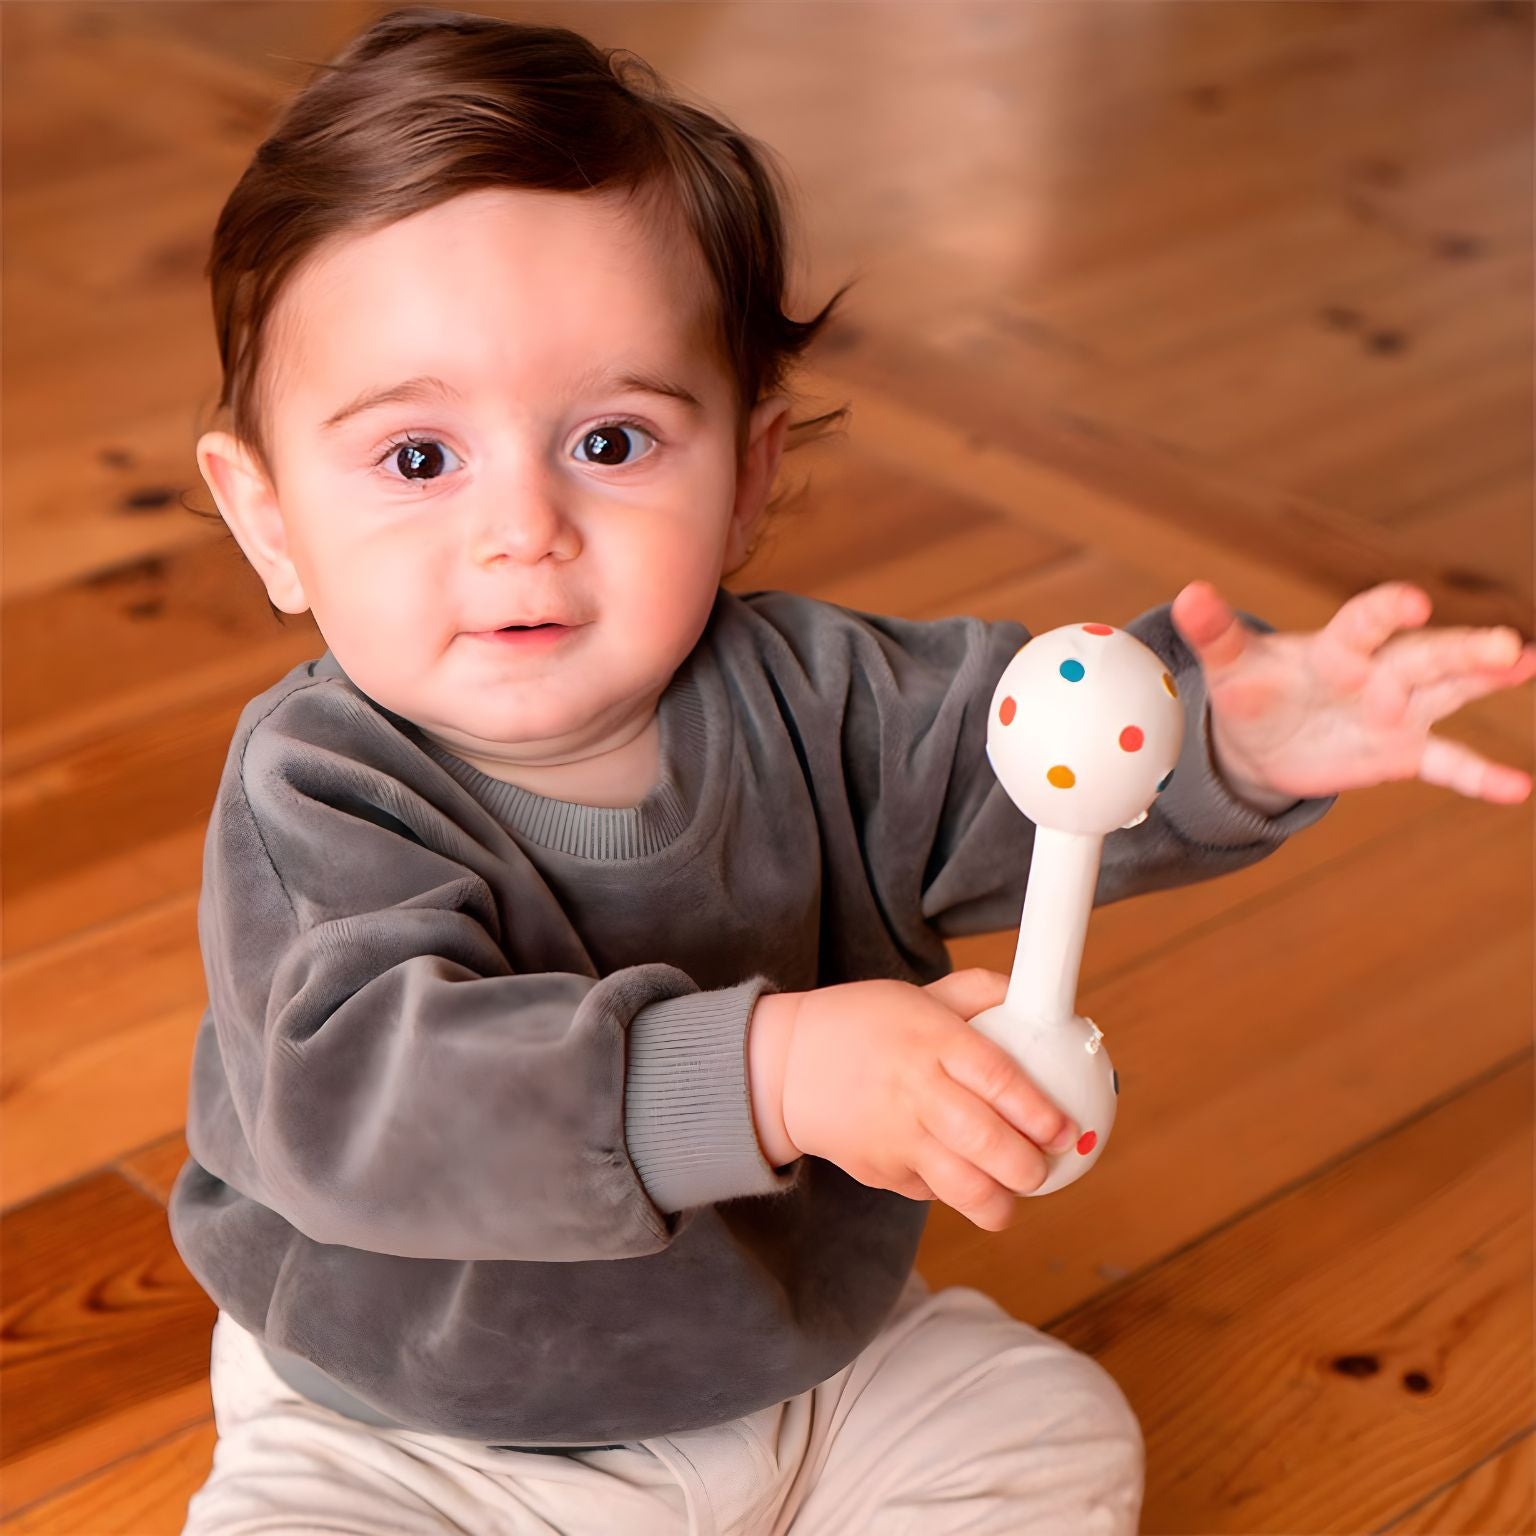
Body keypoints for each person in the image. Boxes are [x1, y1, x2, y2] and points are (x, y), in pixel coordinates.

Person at [169, 8, 1536, 1533]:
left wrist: (1227, 738)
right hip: (411, 1417)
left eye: (611, 443)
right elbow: (374, 1098)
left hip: (781, 1363)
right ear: (270, 515)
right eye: (420, 460)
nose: (523, 530)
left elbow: (1027, 762)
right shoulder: (322, 794)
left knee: (1046, 1433)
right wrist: (780, 1073)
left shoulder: (821, 698)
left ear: (748, 478)